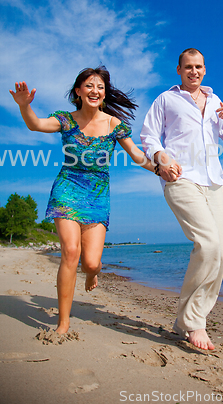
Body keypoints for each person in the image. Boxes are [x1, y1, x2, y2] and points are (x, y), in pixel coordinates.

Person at [10, 65, 180, 334]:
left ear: (104, 93)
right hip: (67, 189)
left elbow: (136, 155)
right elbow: (36, 125)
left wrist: (159, 168)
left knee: (91, 262)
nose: (95, 91)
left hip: (98, 195)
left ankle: (92, 273)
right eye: (89, 86)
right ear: (78, 91)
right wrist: (24, 106)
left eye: (100, 87)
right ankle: (63, 322)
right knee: (71, 252)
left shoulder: (114, 125)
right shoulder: (65, 119)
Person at [140, 48, 223, 350]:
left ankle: (184, 319)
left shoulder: (214, 101)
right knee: (208, 245)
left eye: (198, 67)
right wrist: (160, 157)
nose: (193, 72)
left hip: (214, 182)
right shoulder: (166, 100)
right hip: (180, 177)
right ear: (179, 70)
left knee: (220, 255)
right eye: (188, 67)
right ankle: (195, 322)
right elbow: (149, 136)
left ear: (205, 69)